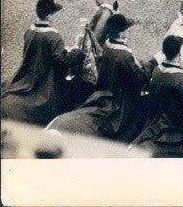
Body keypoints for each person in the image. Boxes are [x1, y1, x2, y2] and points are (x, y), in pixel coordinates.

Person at [47, 13, 152, 144]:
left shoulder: (107, 45)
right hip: (118, 101)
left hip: (103, 91)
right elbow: (140, 78)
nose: (128, 33)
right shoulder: (124, 55)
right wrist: (150, 64)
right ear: (121, 34)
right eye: (127, 31)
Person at [2, 0, 79, 126]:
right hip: (43, 81)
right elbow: (62, 60)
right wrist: (77, 52)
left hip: (27, 74)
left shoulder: (29, 31)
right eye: (53, 13)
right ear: (49, 15)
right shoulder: (54, 36)